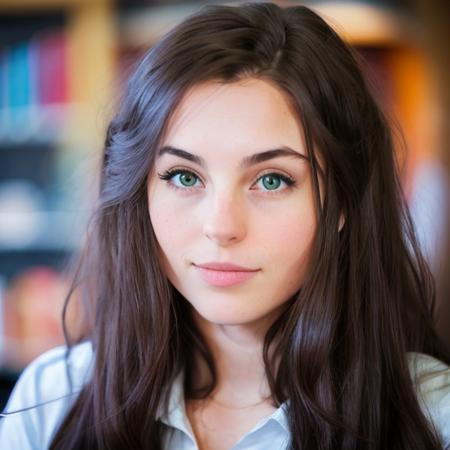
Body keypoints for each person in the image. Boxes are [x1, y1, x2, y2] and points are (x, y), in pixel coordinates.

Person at [1, 2, 450, 449]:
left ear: (343, 202)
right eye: (184, 177)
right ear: (141, 192)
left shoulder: (434, 417)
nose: (221, 226)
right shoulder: (52, 402)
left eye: (271, 180)